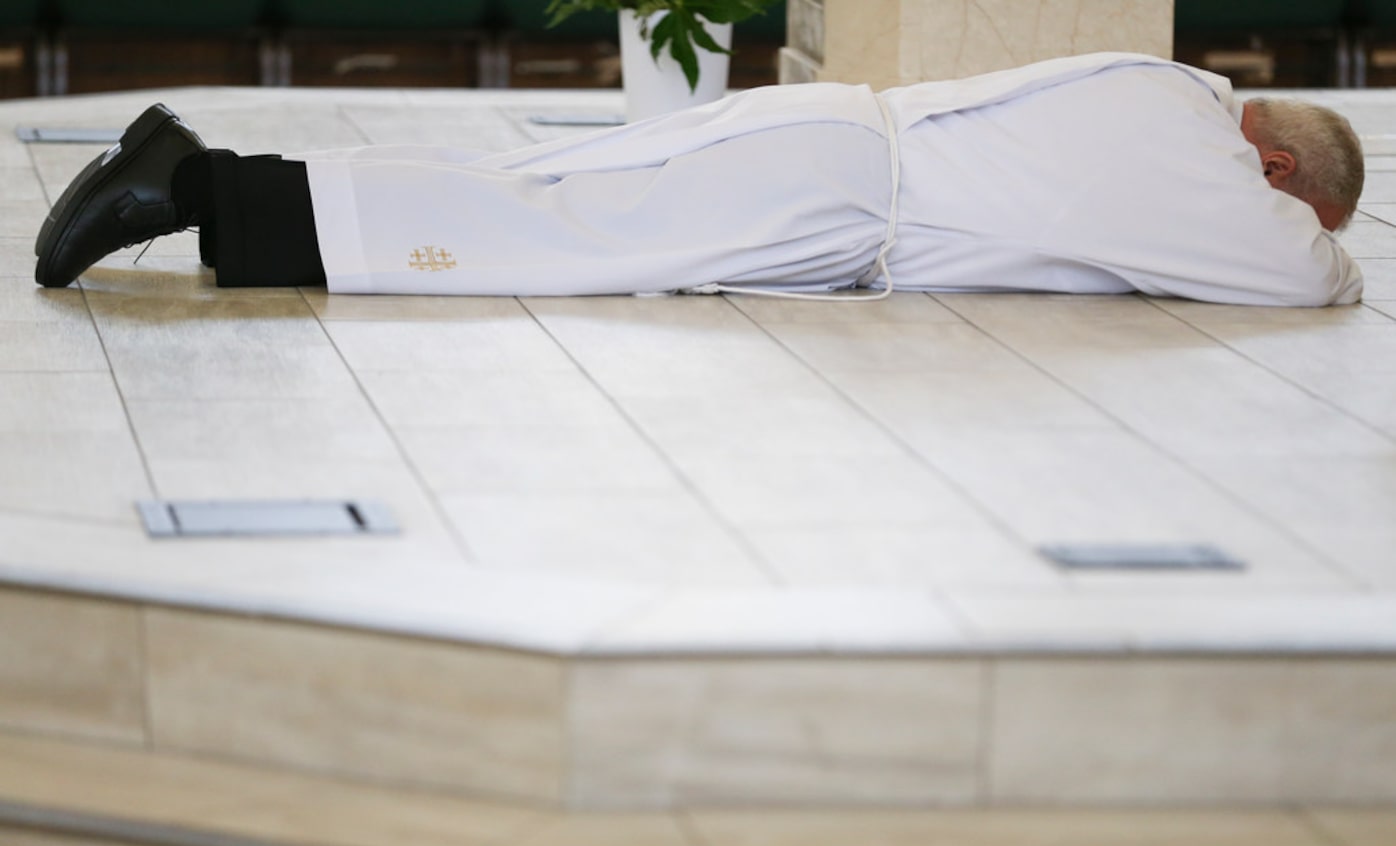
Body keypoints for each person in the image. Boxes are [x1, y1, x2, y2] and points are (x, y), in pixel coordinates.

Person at [35, 51, 1364, 306]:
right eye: (1287, 194)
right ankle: (196, 188)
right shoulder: (1200, 149)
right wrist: (1331, 240)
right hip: (841, 192)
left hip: (831, 159)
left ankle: (205, 179)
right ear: (1273, 162)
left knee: (540, 197)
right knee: (539, 235)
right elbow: (1303, 276)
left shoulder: (1159, 84)